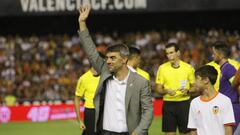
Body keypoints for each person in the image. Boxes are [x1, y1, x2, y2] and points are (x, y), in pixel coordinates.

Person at [78, 5, 153, 135]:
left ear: (124, 59)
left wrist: (139, 131)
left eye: (113, 58)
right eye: (107, 58)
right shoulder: (105, 72)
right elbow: (90, 51)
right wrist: (82, 23)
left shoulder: (141, 82)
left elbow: (148, 111)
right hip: (107, 132)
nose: (108, 61)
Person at [155, 43, 195, 135]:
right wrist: (166, 90)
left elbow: (195, 87)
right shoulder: (162, 68)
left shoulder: (188, 68)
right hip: (168, 105)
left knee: (186, 133)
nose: (169, 55)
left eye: (171, 52)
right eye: (167, 53)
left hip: (184, 104)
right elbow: (158, 89)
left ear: (178, 53)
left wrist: (188, 90)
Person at [188, 65, 235, 135]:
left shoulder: (225, 101)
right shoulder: (194, 103)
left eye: (197, 79)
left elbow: (228, 130)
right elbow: (193, 130)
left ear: (206, 80)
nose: (194, 82)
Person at [211, 41, 240, 133]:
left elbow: (238, 86)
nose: (212, 56)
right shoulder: (224, 69)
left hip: (232, 108)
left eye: (214, 53)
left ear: (220, 55)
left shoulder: (228, 68)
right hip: (228, 107)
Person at [74, 67, 100, 135]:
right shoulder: (83, 78)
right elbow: (77, 99)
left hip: (104, 112)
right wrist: (79, 120)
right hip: (91, 112)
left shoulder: (105, 75)